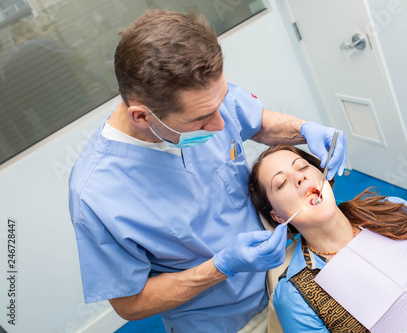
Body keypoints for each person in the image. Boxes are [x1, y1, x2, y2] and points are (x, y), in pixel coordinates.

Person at [68, 9, 347, 333]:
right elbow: (130, 303)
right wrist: (222, 267)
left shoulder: (203, 96)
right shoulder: (95, 194)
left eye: (221, 102)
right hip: (226, 322)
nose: (219, 125)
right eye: (201, 120)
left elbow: (256, 121)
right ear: (143, 117)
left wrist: (305, 129)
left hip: (289, 278)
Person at [248, 144, 407, 333]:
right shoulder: (294, 295)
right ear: (278, 217)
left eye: (303, 167)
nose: (299, 177)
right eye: (281, 183)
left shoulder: (394, 210)